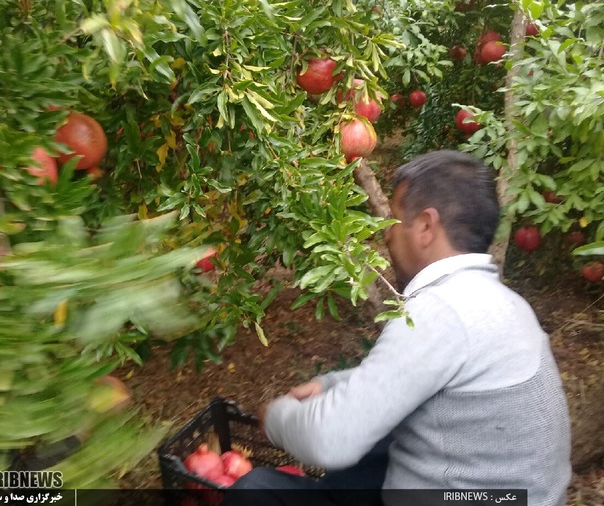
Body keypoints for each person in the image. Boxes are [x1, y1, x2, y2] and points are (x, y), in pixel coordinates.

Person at [223, 150, 571, 506]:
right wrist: (329, 385)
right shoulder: (505, 304)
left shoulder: (442, 312)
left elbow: (331, 438)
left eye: (394, 220)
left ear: (424, 226)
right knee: (373, 448)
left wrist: (277, 417)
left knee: (254, 493)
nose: (386, 237)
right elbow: (414, 379)